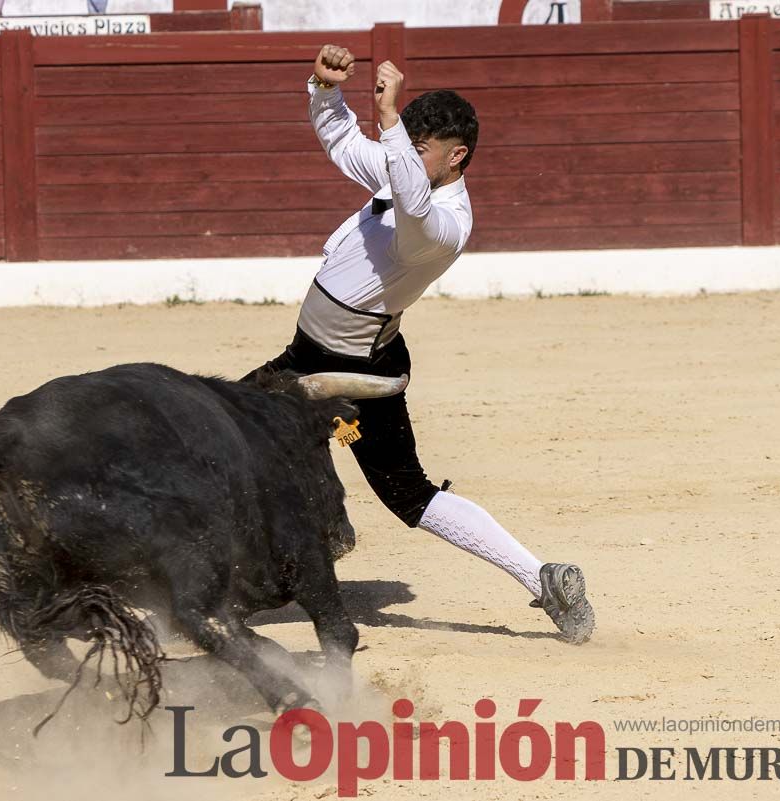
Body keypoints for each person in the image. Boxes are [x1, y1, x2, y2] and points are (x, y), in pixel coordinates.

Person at [248, 45, 595, 644]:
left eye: (418, 148)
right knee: (220, 432)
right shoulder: (401, 167)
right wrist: (326, 90)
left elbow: (412, 204)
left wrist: (388, 124)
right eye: (405, 145)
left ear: (456, 157)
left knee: (407, 494)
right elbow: (342, 140)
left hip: (356, 380)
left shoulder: (445, 226)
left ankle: (541, 576)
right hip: (306, 358)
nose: (402, 156)